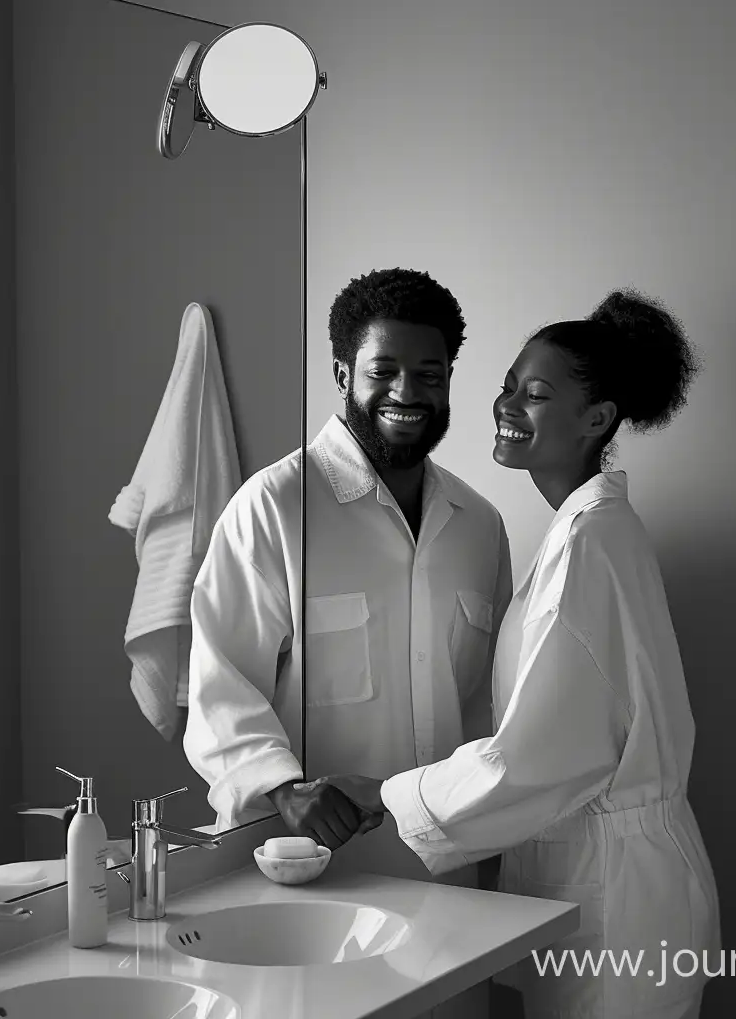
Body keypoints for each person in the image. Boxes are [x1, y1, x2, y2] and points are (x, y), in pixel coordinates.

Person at [301, 293, 720, 1018]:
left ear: (598, 419)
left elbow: (538, 757)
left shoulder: (589, 545)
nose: (506, 405)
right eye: (506, 385)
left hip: (618, 907)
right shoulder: (583, 533)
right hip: (600, 888)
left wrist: (387, 793)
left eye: (536, 394)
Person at [185, 270, 511, 1019]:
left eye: (430, 374)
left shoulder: (479, 524)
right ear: (341, 373)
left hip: (455, 887)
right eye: (384, 370)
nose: (409, 391)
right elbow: (220, 679)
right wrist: (280, 787)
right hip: (320, 894)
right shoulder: (273, 508)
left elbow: (487, 704)